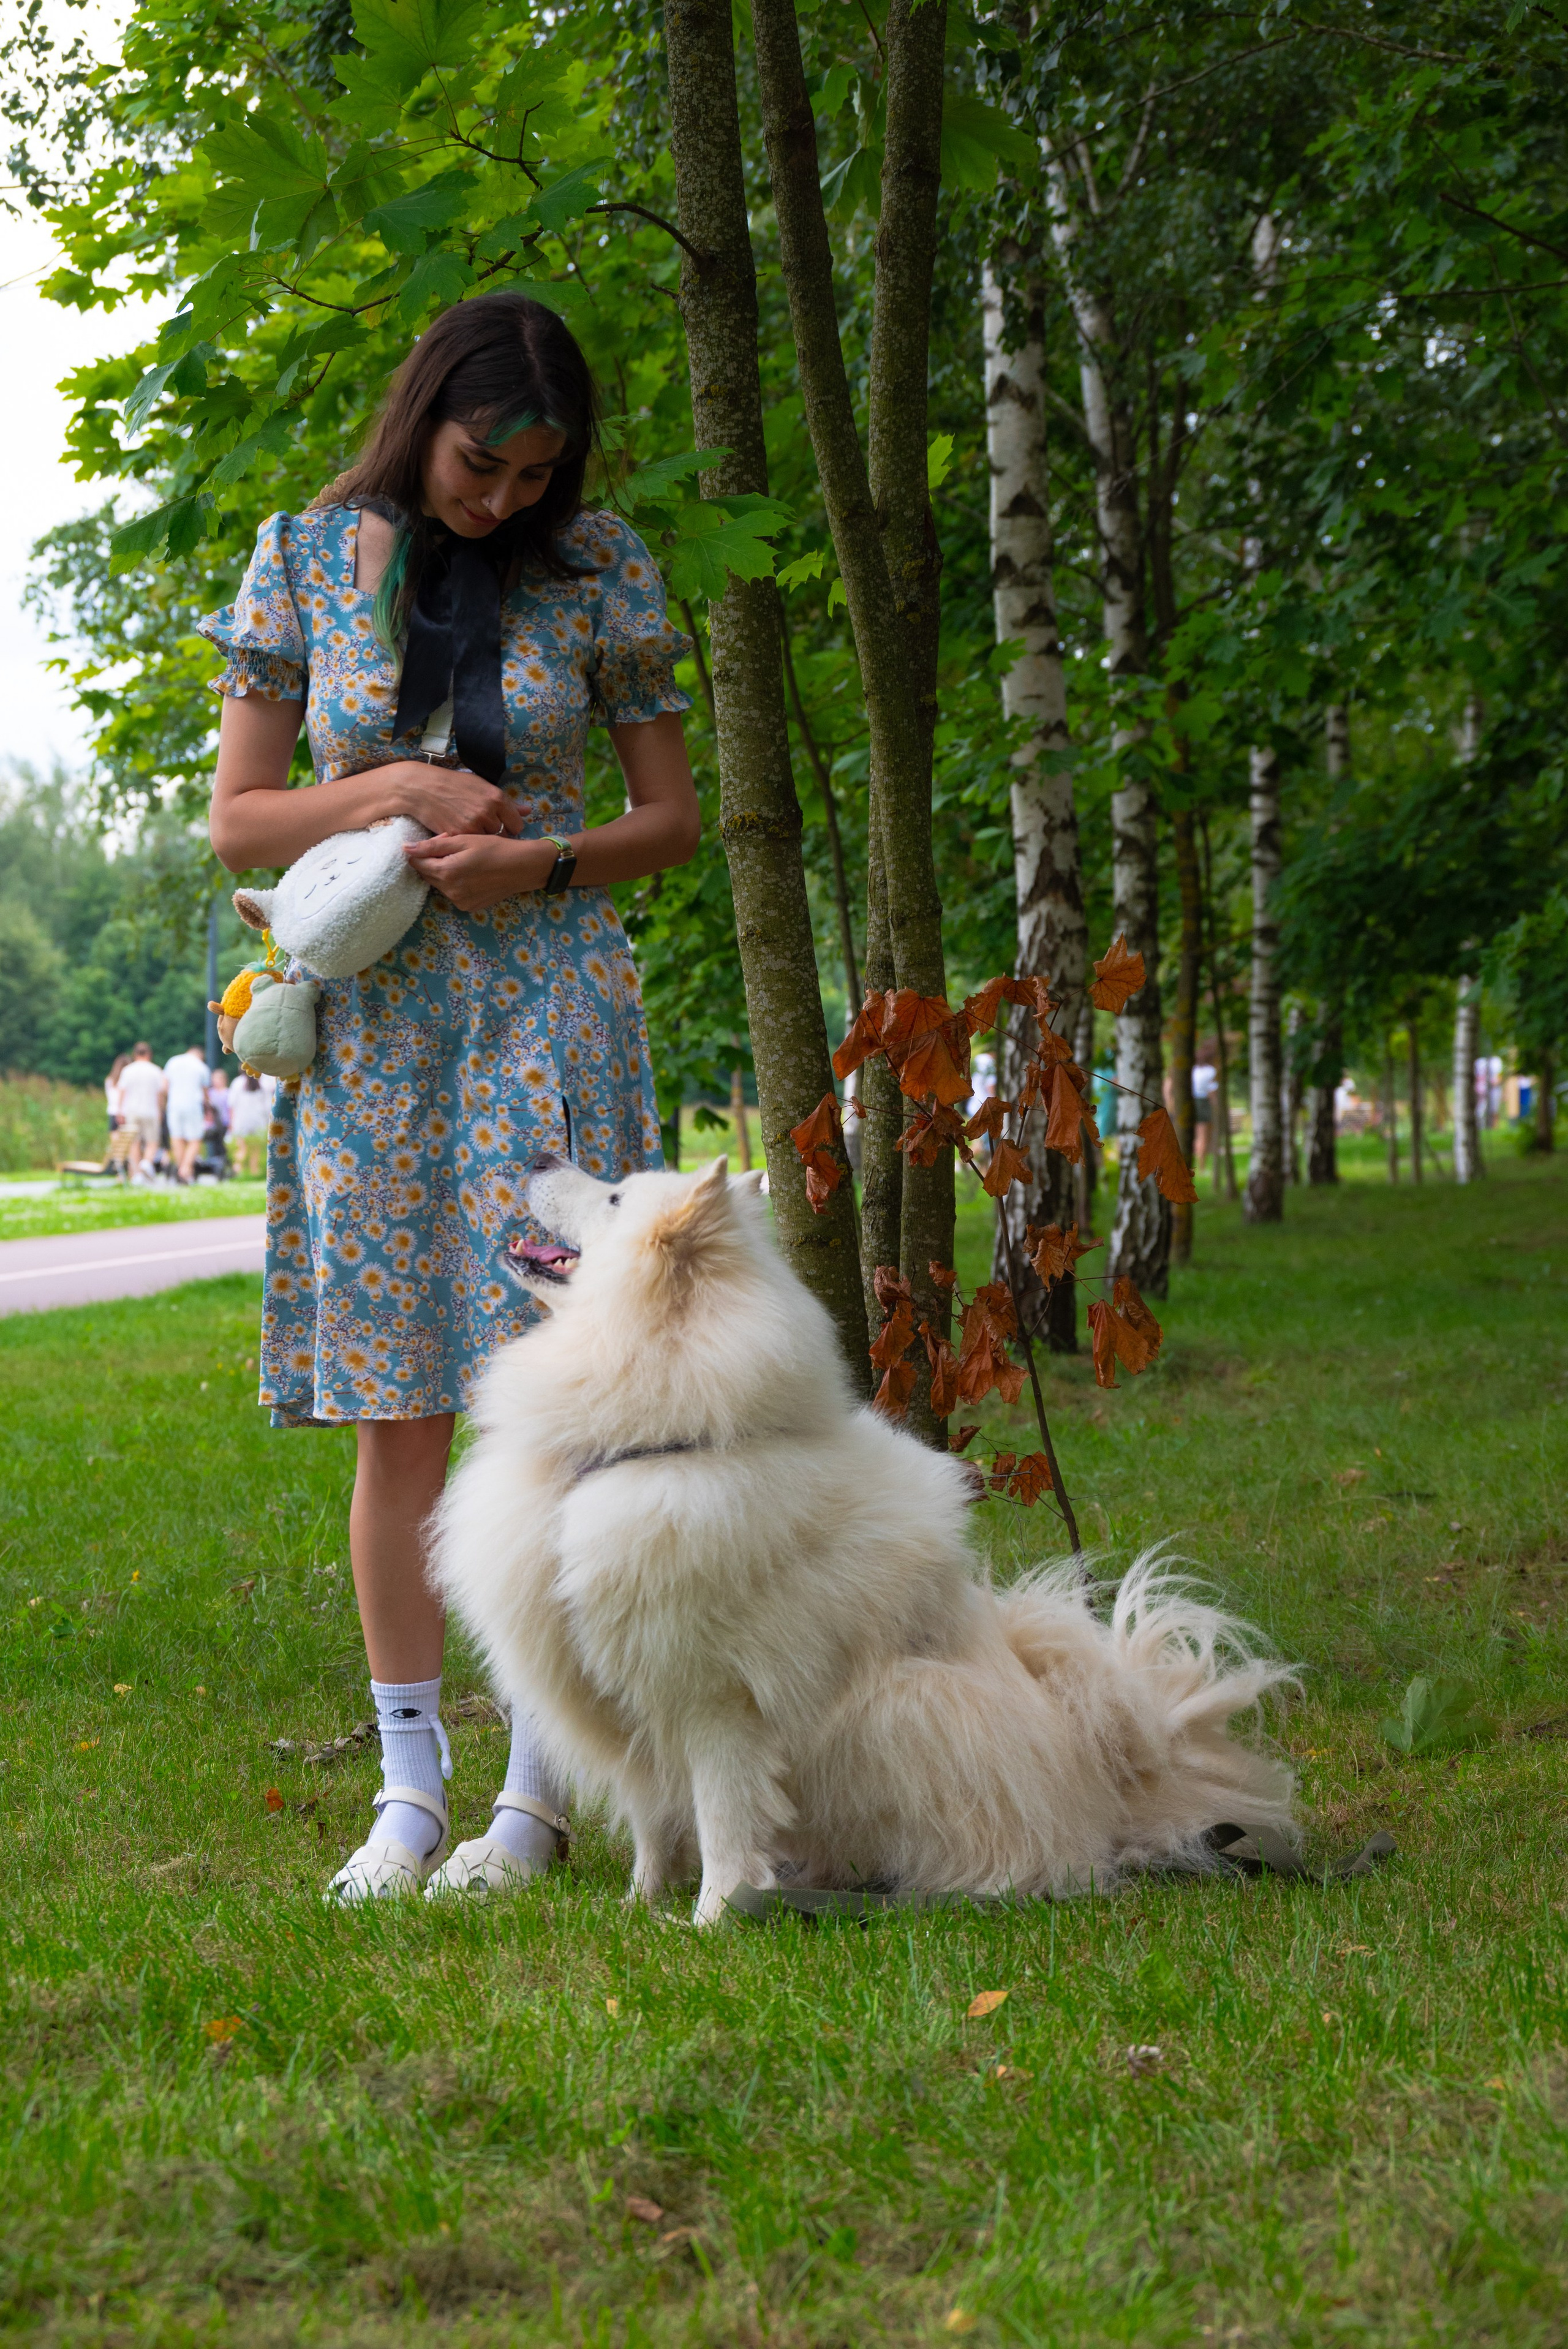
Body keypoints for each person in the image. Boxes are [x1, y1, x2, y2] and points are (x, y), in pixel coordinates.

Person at [204, 293, 700, 1907]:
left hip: (552, 1012)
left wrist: (536, 859)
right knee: (398, 1398)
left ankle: (538, 1794)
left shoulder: (604, 563)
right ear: (429, 413)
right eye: (486, 464)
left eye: (533, 475)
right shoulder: (301, 558)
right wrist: (405, 787)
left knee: (559, 1399)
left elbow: (672, 820)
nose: (503, 499)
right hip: (375, 1036)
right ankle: (409, 1792)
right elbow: (241, 823)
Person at [116, 1042, 165, 1178]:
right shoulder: (155, 1070)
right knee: (152, 1142)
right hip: (150, 1110)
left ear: (135, 1054)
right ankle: (146, 1162)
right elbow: (160, 1094)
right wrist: (160, 1110)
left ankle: (136, 1173)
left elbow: (122, 1092)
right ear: (149, 1054)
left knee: (134, 1143)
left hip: (132, 1111)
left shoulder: (128, 1071)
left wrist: (120, 1111)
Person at [164, 1043, 211, 1184]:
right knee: (195, 1139)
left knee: (177, 1138)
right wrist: (209, 1108)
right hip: (193, 1105)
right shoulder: (201, 1066)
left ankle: (182, 1171)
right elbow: (205, 1092)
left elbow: (165, 1086)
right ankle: (185, 1169)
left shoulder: (173, 1061)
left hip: (174, 1105)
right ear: (200, 1055)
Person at [227, 1069, 273, 1179]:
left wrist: (231, 1123)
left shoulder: (237, 1083)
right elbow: (268, 1106)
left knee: (241, 1149)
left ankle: (237, 1172)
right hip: (259, 1120)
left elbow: (231, 1104)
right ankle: (254, 1172)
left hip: (241, 1120)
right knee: (255, 1150)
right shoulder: (264, 1083)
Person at [1191, 1050, 1218, 1167]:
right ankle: (1201, 1166)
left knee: (1197, 1136)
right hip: (1203, 1102)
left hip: (1193, 1101)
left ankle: (1196, 1163)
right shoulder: (1210, 1071)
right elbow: (1212, 1092)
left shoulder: (1192, 1071)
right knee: (1204, 1137)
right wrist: (1216, 1107)